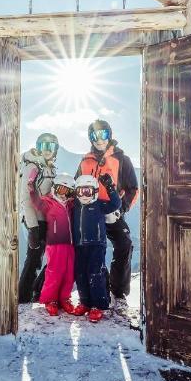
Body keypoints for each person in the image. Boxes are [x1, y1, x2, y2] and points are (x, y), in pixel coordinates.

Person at [76, 119, 138, 308]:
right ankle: (96, 289)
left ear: (109, 135)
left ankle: (118, 290)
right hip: (90, 212)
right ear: (90, 138)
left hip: (112, 209)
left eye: (103, 134)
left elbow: (133, 189)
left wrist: (121, 209)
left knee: (124, 244)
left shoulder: (121, 159)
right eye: (94, 135)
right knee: (88, 250)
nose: (99, 139)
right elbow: (76, 185)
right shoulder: (85, 160)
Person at [27, 172, 78, 316]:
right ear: (55, 188)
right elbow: (36, 202)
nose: (63, 194)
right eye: (61, 189)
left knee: (69, 273)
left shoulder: (70, 205)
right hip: (55, 244)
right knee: (54, 272)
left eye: (67, 191)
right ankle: (50, 300)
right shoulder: (49, 202)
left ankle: (64, 298)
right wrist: (31, 187)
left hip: (70, 244)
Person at [72, 173, 121, 322]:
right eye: (80, 191)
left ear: (94, 191)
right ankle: (85, 302)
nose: (84, 195)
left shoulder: (99, 205)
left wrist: (110, 187)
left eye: (87, 191)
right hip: (79, 245)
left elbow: (116, 204)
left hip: (96, 245)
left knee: (95, 274)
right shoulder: (75, 206)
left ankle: (98, 305)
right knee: (80, 274)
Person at [18, 132, 59, 303]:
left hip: (47, 219)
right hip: (35, 219)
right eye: (44, 146)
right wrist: (33, 228)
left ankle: (36, 290)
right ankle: (23, 297)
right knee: (34, 257)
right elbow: (25, 200)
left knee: (53, 255)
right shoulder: (33, 166)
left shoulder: (49, 167)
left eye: (51, 146)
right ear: (38, 147)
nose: (47, 150)